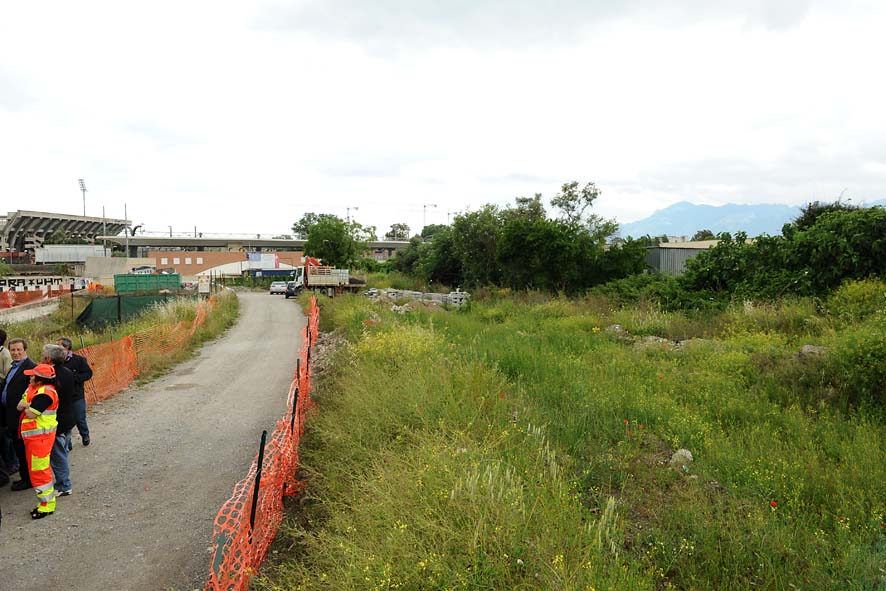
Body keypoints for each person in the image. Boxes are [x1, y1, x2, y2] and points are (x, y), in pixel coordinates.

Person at [17, 362, 59, 518]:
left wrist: (27, 406)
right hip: (34, 440)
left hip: (40, 440)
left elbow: (30, 413)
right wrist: (28, 405)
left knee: (40, 473)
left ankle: (47, 505)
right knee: (36, 471)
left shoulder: (45, 394)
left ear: (40, 380)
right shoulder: (34, 389)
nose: (29, 378)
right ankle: (44, 503)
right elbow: (19, 406)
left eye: (32, 376)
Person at [2, 338, 36, 491]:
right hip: (10, 416)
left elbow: (35, 394)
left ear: (25, 350)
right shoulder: (13, 367)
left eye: (18, 350)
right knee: (18, 448)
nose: (15, 353)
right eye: (13, 350)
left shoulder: (31, 368)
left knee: (23, 450)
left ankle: (27, 480)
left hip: (21, 418)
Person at [44, 344, 75, 497]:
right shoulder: (67, 371)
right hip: (68, 417)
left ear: (48, 358)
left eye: (43, 355)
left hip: (57, 420)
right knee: (63, 451)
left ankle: (64, 485)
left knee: (58, 454)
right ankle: (64, 481)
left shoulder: (52, 375)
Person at [57, 336, 93, 446]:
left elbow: (88, 374)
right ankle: (68, 443)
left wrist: (74, 378)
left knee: (79, 418)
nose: (56, 349)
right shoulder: (55, 362)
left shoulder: (79, 360)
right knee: (64, 420)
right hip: (61, 397)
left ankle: (85, 435)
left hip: (76, 395)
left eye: (59, 346)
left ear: (67, 347)